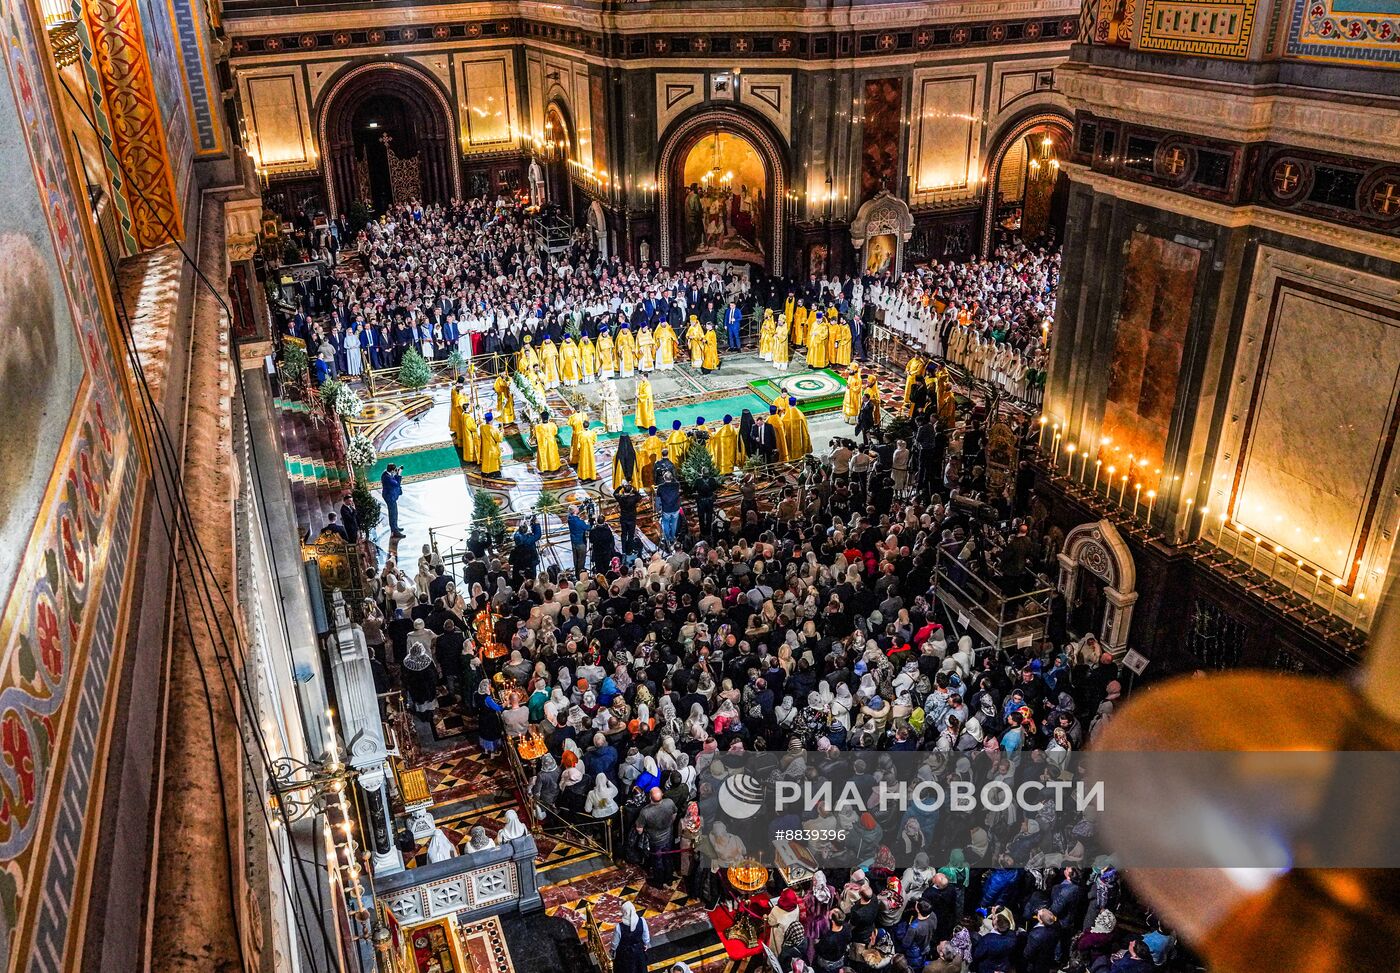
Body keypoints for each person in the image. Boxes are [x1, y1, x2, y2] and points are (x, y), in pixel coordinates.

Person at [610, 902, 650, 973]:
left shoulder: (619, 927)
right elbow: (646, 936)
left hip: (624, 954)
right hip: (638, 950)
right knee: (639, 968)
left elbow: (615, 943)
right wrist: (646, 944)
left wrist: (613, 950)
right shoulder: (642, 921)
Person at [380, 464, 405, 538]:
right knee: (393, 514)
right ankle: (394, 531)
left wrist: (395, 474)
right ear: (391, 470)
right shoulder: (386, 477)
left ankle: (395, 528)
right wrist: (399, 475)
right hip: (389, 497)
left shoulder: (386, 473)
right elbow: (396, 484)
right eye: (394, 470)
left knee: (395, 512)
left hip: (391, 496)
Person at [479, 412, 502, 476]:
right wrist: (501, 432)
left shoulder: (482, 427)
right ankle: (494, 472)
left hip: (485, 447)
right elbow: (499, 439)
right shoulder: (493, 429)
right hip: (492, 448)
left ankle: (485, 471)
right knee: (493, 461)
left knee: (486, 460)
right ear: (491, 420)